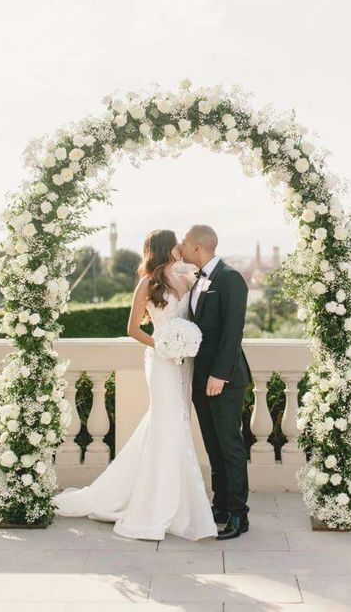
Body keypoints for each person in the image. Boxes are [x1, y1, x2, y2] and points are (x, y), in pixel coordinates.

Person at [51, 229, 218, 541]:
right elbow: (132, 328)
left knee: (173, 426)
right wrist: (162, 345)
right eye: (177, 244)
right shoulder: (148, 282)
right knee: (167, 425)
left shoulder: (187, 278)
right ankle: (158, 506)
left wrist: (186, 344)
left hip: (185, 364)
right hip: (161, 361)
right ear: (167, 248)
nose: (182, 247)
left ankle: (177, 502)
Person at [180, 224, 253, 540]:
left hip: (224, 379)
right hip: (200, 377)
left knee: (230, 446)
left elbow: (232, 332)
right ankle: (220, 505)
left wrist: (219, 376)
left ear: (198, 247)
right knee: (212, 445)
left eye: (183, 243)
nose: (180, 247)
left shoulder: (230, 278)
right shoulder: (198, 280)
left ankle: (239, 515)